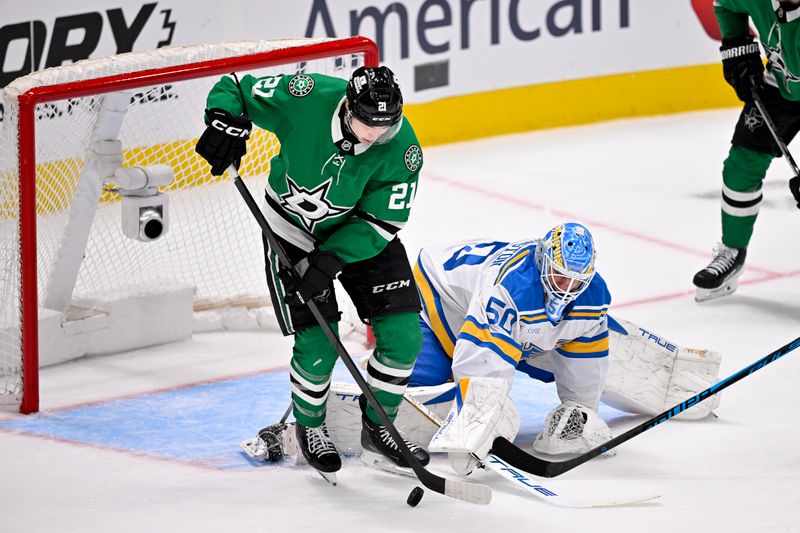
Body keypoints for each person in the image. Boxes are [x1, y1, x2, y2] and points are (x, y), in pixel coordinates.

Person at [195, 65, 428, 480]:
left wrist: (332, 259)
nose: (375, 135)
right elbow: (235, 87)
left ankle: (379, 426)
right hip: (291, 232)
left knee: (404, 334)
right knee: (320, 340)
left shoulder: (403, 148)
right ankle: (310, 425)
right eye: (365, 124)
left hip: (359, 233)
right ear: (346, 108)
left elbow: (382, 221)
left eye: (385, 126)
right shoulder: (307, 96)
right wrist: (224, 123)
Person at [410, 222, 614, 463]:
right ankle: (387, 333)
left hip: (506, 312)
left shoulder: (594, 294)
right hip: (440, 294)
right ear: (542, 260)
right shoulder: (508, 287)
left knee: (556, 353)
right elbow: (483, 360)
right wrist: (475, 426)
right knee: (426, 379)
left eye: (575, 280)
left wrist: (583, 408)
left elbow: (585, 357)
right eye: (559, 276)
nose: (566, 289)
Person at [693, 0, 800, 301]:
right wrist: (738, 46)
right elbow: (724, 5)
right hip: (780, 86)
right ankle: (731, 251)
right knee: (740, 167)